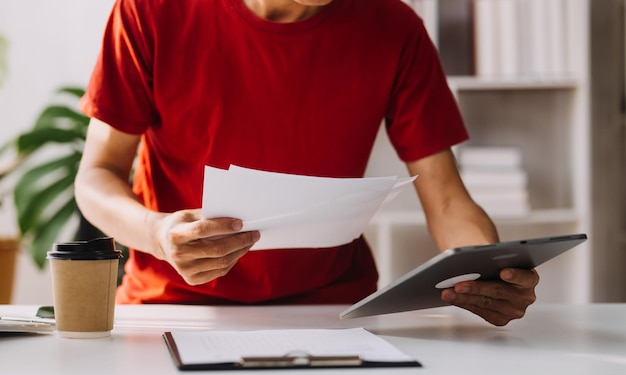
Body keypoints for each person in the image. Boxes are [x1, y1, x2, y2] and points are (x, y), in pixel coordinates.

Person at [75, 0, 539, 326]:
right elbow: (97, 175)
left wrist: (489, 276)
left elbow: (446, 198)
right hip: (173, 308)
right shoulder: (150, 11)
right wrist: (157, 233)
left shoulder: (395, 27)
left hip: (334, 311)